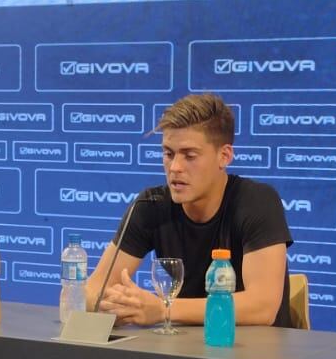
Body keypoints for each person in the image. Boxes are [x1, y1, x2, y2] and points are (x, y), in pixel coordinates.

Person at [88, 92, 295, 328]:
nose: (175, 167)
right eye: (168, 153)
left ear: (224, 156)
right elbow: (94, 289)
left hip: (253, 355)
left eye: (189, 156)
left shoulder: (257, 201)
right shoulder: (150, 205)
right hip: (184, 353)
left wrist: (163, 309)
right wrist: (118, 304)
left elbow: (262, 307)